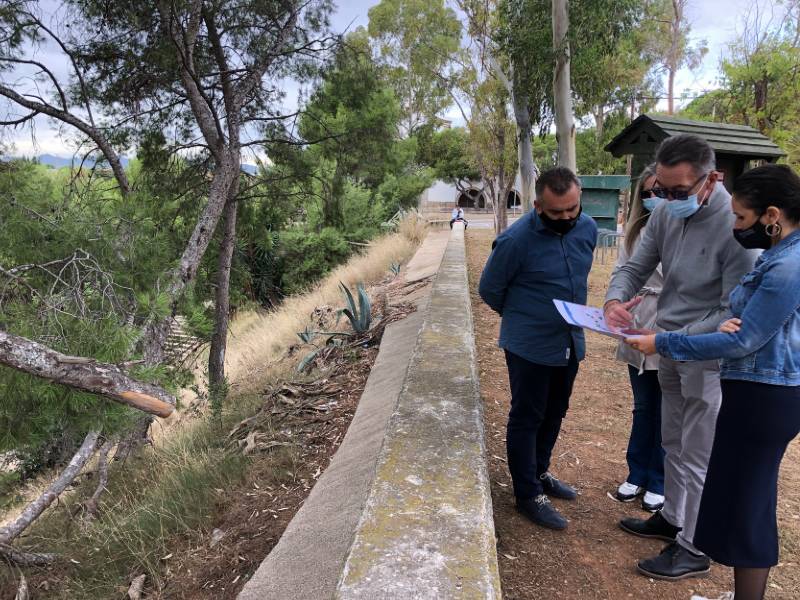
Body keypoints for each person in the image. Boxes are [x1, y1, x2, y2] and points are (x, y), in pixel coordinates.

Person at [626, 163, 800, 600]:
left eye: (742, 218)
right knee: (744, 499)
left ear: (772, 215)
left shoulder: (787, 268)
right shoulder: (784, 257)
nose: (737, 226)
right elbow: (744, 327)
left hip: (765, 397)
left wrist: (664, 343)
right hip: (755, 391)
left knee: (750, 505)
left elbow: (743, 337)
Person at [603, 134, 757, 580]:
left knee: (698, 451)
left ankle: (694, 545)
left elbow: (733, 310)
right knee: (672, 440)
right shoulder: (668, 213)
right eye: (661, 192)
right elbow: (634, 265)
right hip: (666, 344)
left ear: (713, 179)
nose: (667, 200)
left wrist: (672, 339)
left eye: (678, 192)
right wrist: (616, 300)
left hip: (707, 355)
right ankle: (672, 517)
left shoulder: (737, 227)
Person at [479, 167, 597, 530]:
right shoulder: (516, 241)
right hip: (529, 345)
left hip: (569, 339)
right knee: (528, 415)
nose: (566, 218)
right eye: (556, 211)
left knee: (556, 410)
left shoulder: (588, 229)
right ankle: (527, 494)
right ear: (538, 205)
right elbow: (489, 289)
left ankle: (540, 471)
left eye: (571, 210)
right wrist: (523, 317)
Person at [612, 164, 666, 513]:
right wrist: (613, 303)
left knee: (668, 411)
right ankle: (637, 471)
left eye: (660, 192)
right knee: (643, 406)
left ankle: (660, 479)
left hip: (670, 326)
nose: (653, 199)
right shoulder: (635, 232)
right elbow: (622, 272)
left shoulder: (691, 232)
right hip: (637, 320)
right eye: (647, 193)